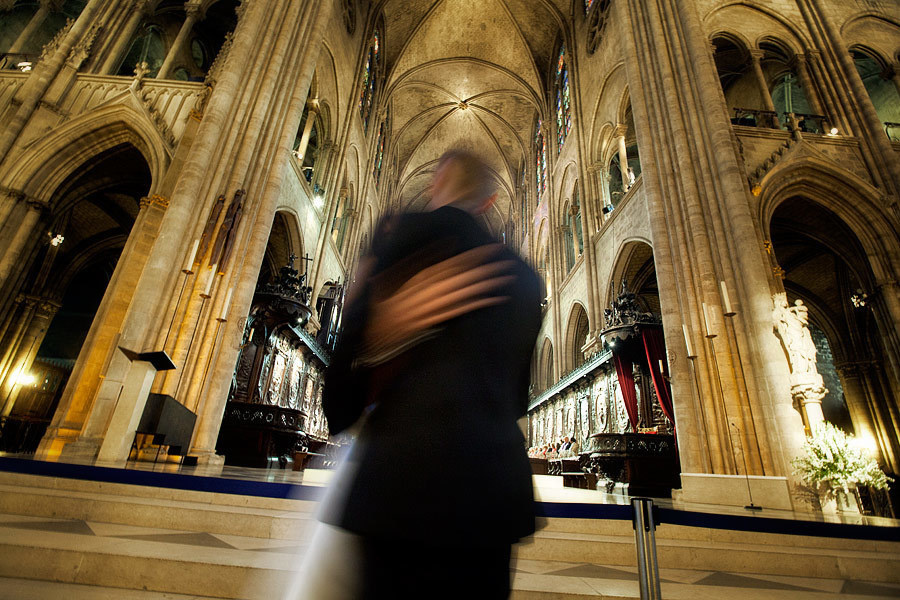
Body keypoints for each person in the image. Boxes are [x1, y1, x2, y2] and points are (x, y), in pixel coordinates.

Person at [317, 149, 542, 598]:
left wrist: (380, 335)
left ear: (434, 184)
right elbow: (520, 399)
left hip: (397, 493)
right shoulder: (522, 277)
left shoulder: (396, 239)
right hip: (490, 499)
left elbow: (339, 405)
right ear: (490, 201)